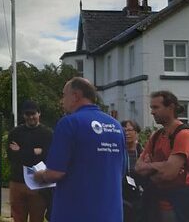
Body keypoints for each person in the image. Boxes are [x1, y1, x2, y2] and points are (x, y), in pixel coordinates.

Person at [33, 77, 126, 222]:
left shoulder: (69, 123)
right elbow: (121, 169)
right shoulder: (116, 126)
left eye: (64, 95)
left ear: (75, 96)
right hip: (111, 212)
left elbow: (54, 173)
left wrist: (39, 176)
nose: (61, 100)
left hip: (76, 211)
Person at [135, 91, 189, 222]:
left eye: (156, 107)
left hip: (180, 203)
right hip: (156, 201)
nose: (152, 112)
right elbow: (138, 167)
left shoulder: (184, 135)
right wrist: (162, 166)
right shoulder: (156, 136)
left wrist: (150, 168)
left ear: (170, 107)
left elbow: (169, 173)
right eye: (151, 108)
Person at [7, 100, 53, 222]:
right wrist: (35, 152)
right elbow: (12, 156)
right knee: (18, 218)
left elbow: (49, 156)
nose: (31, 117)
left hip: (39, 185)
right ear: (23, 115)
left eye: (33, 113)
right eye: (27, 114)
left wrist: (21, 151)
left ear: (39, 114)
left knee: (37, 218)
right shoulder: (15, 133)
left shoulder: (48, 134)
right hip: (17, 182)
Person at [121, 120, 143, 222]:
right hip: (123, 195)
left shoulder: (142, 152)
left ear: (136, 133)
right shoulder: (118, 152)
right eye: (124, 130)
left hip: (139, 194)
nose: (127, 133)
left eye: (130, 130)